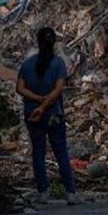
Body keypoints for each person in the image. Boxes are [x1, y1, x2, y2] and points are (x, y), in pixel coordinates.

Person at [16, 27, 78, 204]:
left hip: (32, 114)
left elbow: (19, 88)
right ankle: (70, 192)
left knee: (38, 152)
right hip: (54, 114)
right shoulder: (58, 63)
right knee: (61, 152)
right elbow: (58, 89)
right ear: (54, 43)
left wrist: (37, 101)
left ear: (37, 41)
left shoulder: (27, 64)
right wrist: (45, 104)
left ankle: (43, 192)